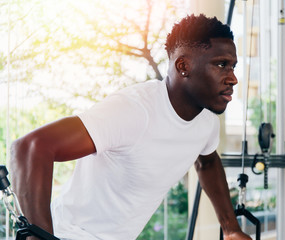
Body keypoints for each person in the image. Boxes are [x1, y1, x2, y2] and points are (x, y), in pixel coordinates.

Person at [10, 14, 252, 240]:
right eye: (221, 65)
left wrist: (231, 228)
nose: (233, 78)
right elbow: (29, 148)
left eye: (233, 66)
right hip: (71, 234)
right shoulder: (133, 110)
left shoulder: (206, 122)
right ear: (183, 67)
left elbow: (207, 162)